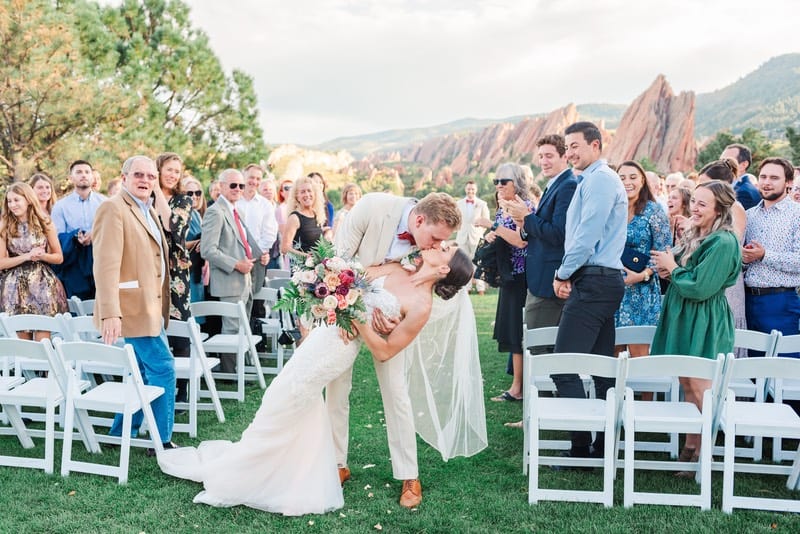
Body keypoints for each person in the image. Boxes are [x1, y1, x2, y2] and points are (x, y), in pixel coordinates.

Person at [157, 244, 473, 515]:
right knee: (287, 401)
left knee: (283, 397)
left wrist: (361, 320)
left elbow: (384, 351)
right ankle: (292, 468)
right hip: (324, 335)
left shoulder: (421, 306)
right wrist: (343, 294)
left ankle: (247, 473)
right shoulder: (400, 267)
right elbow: (357, 283)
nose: (438, 244)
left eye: (445, 249)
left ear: (445, 267)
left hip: (339, 349)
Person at [329, 191, 463, 508]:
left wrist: (396, 315)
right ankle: (337, 464)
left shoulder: (427, 246)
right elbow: (337, 262)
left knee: (396, 392)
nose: (433, 246)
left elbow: (416, 280)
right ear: (418, 220)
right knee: (336, 385)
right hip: (347, 307)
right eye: (433, 239)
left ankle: (409, 475)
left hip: (389, 315)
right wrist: (348, 311)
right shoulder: (371, 207)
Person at [651, 181, 741, 467]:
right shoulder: (696, 233)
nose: (695, 208)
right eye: (695, 202)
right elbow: (680, 273)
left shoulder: (724, 242)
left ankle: (706, 452)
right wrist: (667, 267)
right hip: (683, 312)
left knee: (702, 386)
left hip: (704, 316)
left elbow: (701, 287)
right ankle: (690, 444)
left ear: (719, 209)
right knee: (686, 382)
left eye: (703, 204)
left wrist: (673, 266)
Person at [551, 121, 627, 460]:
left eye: (575, 145)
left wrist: (563, 273)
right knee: (600, 367)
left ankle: (582, 447)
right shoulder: (596, 179)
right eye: (567, 146)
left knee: (563, 366)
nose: (569, 153)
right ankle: (605, 444)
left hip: (594, 280)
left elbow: (587, 234)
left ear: (596, 145)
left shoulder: (599, 180)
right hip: (602, 280)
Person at [93, 155, 177, 453]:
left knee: (142, 372)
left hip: (151, 307)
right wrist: (110, 312)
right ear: (124, 176)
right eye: (138, 175)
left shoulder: (148, 209)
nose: (145, 180)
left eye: (150, 176)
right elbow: (105, 265)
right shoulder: (112, 208)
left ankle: (119, 433)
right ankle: (161, 440)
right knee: (164, 367)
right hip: (131, 308)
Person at [503, 134, 577, 427]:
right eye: (541, 156)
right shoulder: (554, 185)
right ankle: (537, 413)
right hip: (540, 277)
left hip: (549, 280)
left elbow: (560, 233)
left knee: (540, 348)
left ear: (563, 157)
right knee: (537, 345)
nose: (544, 161)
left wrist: (527, 218)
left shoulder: (568, 185)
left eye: (549, 156)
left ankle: (540, 416)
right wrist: (524, 222)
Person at [614, 161, 671, 398]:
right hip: (611, 289)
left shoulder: (653, 211)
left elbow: (665, 253)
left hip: (642, 291)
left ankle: (645, 407)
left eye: (632, 177)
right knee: (613, 350)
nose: (627, 182)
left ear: (642, 180)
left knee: (640, 352)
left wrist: (643, 274)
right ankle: (615, 403)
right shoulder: (611, 208)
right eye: (622, 177)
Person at [742, 157, 800, 357]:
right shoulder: (748, 215)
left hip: (781, 301)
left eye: (774, 178)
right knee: (751, 371)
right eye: (763, 176)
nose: (766, 182)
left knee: (782, 371)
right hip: (748, 301)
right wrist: (744, 259)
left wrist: (765, 254)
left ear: (789, 183)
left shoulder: (797, 214)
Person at [484, 164, 531, 402]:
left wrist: (492, 227)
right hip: (509, 276)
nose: (499, 185)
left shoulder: (524, 207)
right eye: (496, 182)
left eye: (504, 181)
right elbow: (503, 235)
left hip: (522, 277)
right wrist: (491, 235)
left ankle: (518, 388)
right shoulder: (504, 208)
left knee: (516, 332)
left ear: (518, 182)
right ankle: (517, 385)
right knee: (511, 331)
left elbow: (521, 241)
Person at [0, 183, 67, 339]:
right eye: (9, 201)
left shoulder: (45, 222)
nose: (12, 205)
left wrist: (42, 256)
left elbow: (59, 257)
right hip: (14, 288)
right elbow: (1, 263)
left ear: (28, 200)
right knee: (25, 346)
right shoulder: (4, 226)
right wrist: (26, 256)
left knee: (43, 340)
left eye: (16, 200)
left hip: (42, 285)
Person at [697, 159, 748, 354]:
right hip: (710, 275)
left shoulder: (735, 209)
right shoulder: (711, 208)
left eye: (704, 184)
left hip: (725, 281)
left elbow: (728, 247)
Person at [51, 159, 105, 300]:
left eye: (87, 172)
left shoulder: (106, 203)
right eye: (79, 172)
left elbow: (113, 229)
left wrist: (95, 234)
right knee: (78, 308)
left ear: (92, 177)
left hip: (101, 260)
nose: (83, 175)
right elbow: (57, 237)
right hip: (74, 264)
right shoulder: (60, 206)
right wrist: (75, 237)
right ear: (71, 178)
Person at [236, 164, 275, 323]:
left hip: (258, 260)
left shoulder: (265, 204)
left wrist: (262, 252)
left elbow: (270, 232)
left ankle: (256, 343)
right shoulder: (235, 201)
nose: (254, 181)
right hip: (236, 260)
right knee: (238, 302)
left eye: (258, 178)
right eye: (251, 177)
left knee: (256, 302)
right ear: (243, 177)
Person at [280, 175, 330, 259]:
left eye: (309, 191)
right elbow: (284, 249)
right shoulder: (294, 218)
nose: (307, 194)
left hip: (317, 268)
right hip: (301, 270)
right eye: (303, 192)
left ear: (314, 194)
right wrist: (307, 257)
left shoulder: (316, 214)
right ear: (297, 196)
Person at [455, 180, 490, 294]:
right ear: (466, 189)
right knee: (464, 263)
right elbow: (456, 220)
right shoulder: (458, 204)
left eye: (472, 189)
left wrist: (479, 232)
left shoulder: (482, 204)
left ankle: (481, 288)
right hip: (462, 237)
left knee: (478, 262)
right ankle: (466, 288)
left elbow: (486, 221)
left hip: (476, 237)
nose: (470, 191)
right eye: (469, 189)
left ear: (476, 190)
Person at [182, 176, 206, 307]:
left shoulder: (196, 214)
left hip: (198, 271)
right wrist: (199, 242)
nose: (194, 196)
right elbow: (175, 244)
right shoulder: (181, 214)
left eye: (198, 193)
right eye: (189, 193)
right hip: (186, 272)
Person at [721, 143, 761, 210]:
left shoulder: (744, 193)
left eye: (728, 161)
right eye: (721, 161)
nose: (721, 165)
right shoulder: (737, 187)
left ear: (743, 165)